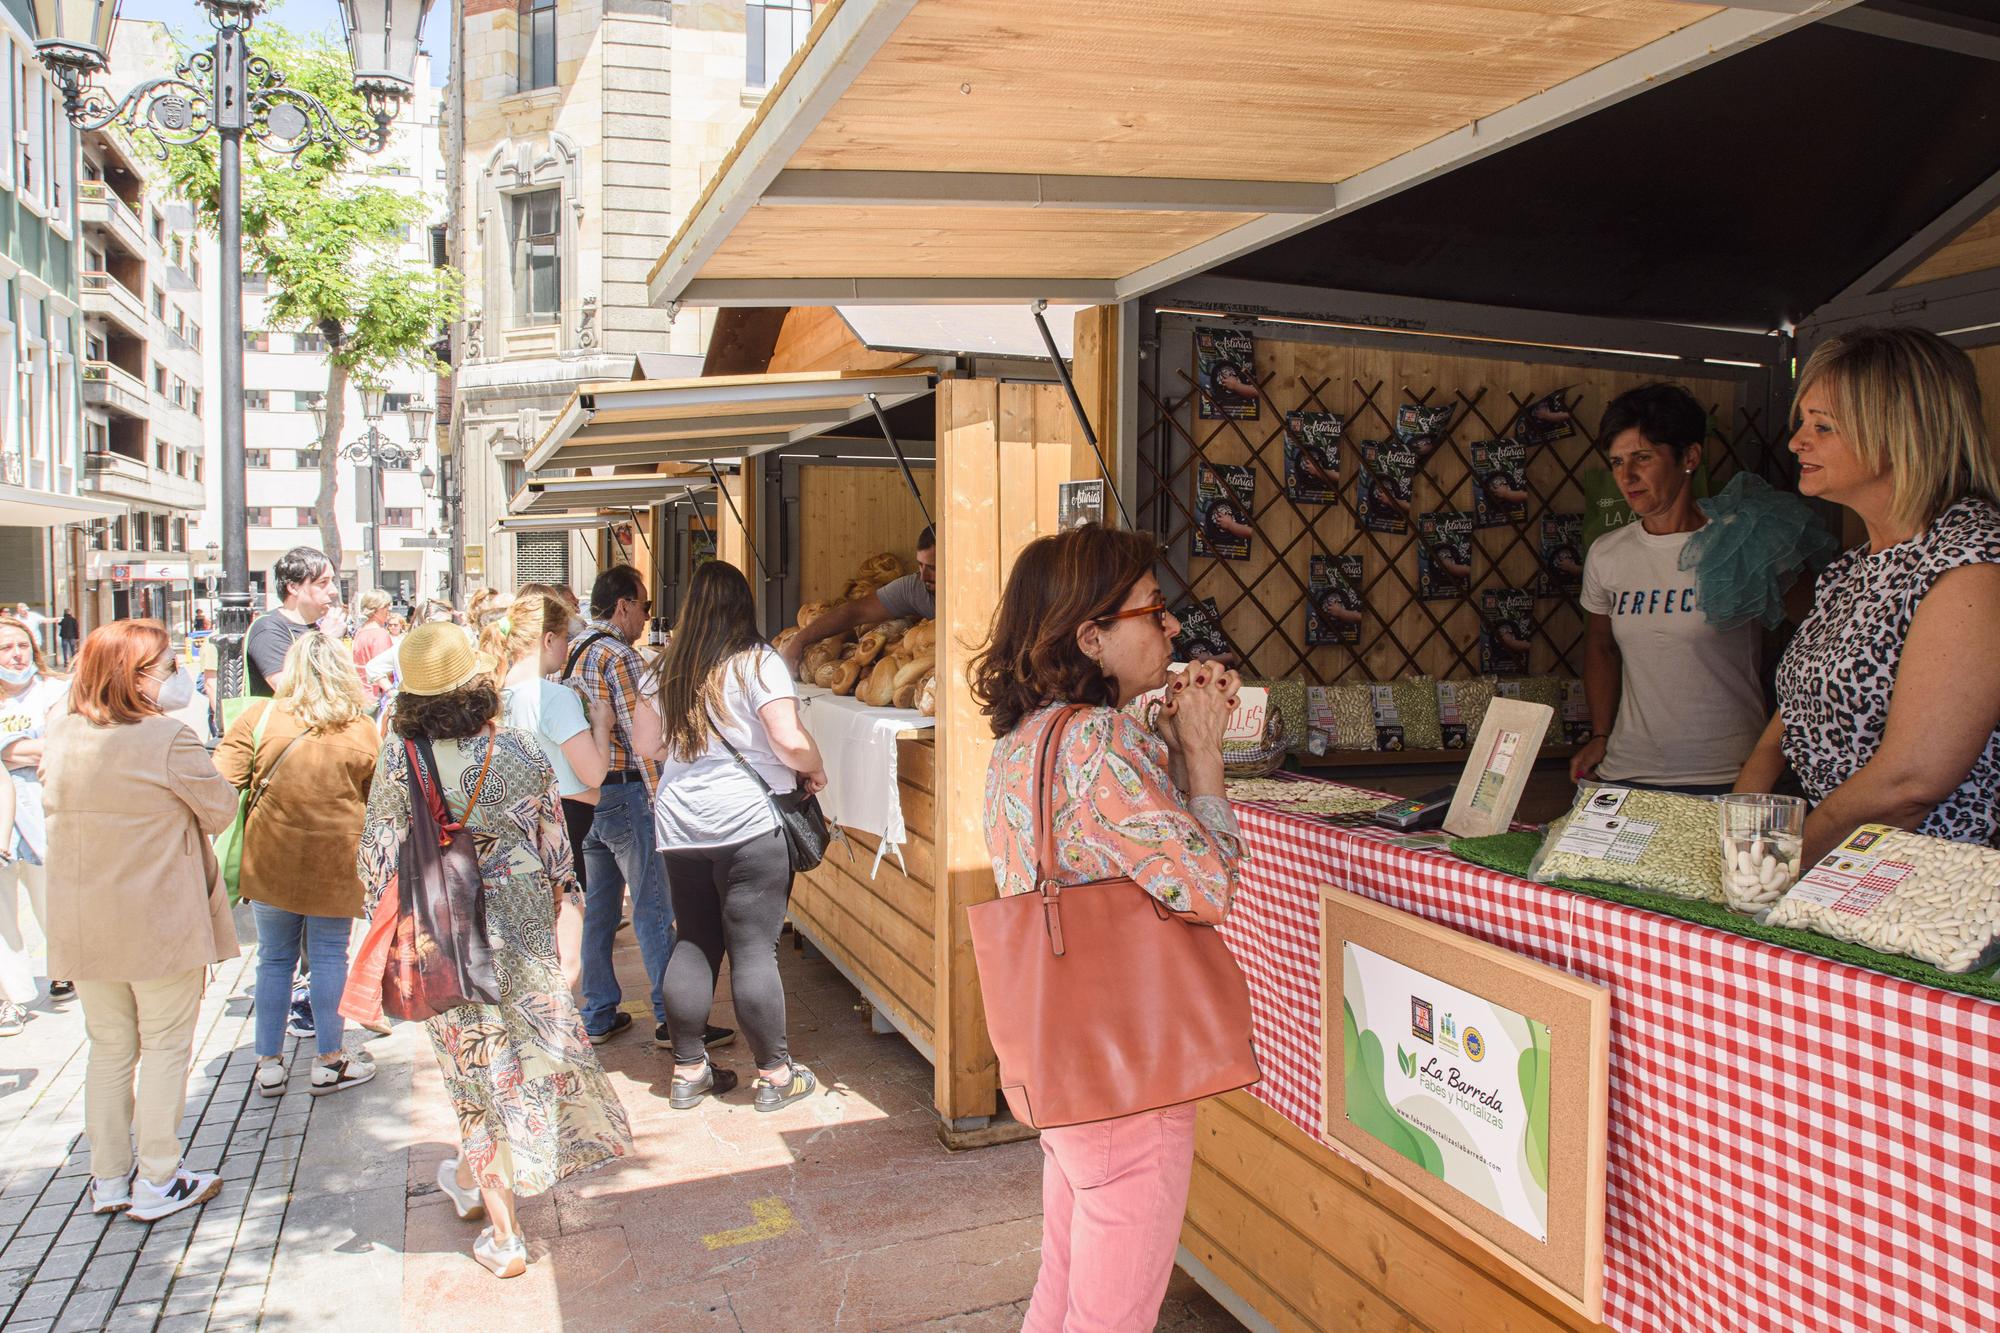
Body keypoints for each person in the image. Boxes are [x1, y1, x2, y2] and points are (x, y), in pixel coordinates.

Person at [971, 524, 1242, 1333]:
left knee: (1061, 1290)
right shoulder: (1099, 743)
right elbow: (1208, 882)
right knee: (1109, 1315)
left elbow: (1094, 852)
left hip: (1065, 1067)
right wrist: (1202, 758)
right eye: (1154, 610)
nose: (1171, 627)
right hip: (1131, 1076)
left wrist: (1156, 748)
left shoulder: (1024, 741)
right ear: (1090, 636)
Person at [358, 624, 632, 1278]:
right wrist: (570, 935)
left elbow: (374, 861)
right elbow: (560, 855)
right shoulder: (516, 747)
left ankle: (506, 1236)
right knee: (524, 1058)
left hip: (447, 935)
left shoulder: (402, 756)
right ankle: (496, 1172)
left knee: (474, 1075)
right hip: (524, 924)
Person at [1736, 326, 2000, 862]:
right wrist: (1740, 837)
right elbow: (1781, 728)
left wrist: (1781, 863)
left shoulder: (1973, 561)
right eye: (1803, 421)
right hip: (1838, 874)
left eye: (1823, 426)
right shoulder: (1850, 571)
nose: (1796, 442)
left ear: (1902, 432)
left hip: (1927, 895)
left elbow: (1911, 782)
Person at [41, 620, 237, 1221]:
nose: (173, 675)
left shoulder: (62, 732)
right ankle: (158, 1176)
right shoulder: (166, 740)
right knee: (166, 1047)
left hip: (84, 920)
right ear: (136, 676)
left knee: (108, 1048)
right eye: (164, 666)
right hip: (158, 921)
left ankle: (107, 1177)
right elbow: (221, 808)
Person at [634, 562, 827, 1112]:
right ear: (744, 606)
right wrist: (814, 764)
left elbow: (650, 745)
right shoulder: (758, 663)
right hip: (746, 821)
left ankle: (689, 1071)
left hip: (680, 822)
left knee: (694, 939)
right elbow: (788, 742)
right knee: (752, 949)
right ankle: (774, 1076)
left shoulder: (663, 668)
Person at [1571, 384, 1766, 796]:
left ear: (1689, 457)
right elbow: (1600, 646)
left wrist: (1774, 753)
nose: (1627, 477)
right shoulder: (1608, 553)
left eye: (1643, 457)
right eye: (1617, 462)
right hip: (1627, 770)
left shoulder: (1741, 544)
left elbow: (1808, 646)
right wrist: (1601, 734)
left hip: (1726, 772)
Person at [215, 632, 381, 1097]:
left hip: (270, 859)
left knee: (273, 960)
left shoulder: (260, 716)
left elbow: (222, 782)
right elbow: (379, 797)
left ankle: (268, 1063)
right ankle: (330, 1060)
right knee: (330, 957)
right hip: (336, 861)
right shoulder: (360, 727)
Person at [564, 566, 677, 1046]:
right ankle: (674, 1016)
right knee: (652, 905)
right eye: (645, 606)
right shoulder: (620, 656)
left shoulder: (570, 650)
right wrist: (660, 800)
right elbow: (644, 739)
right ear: (623, 606)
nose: (648, 618)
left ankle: (598, 1010)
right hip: (626, 790)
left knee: (601, 909)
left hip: (584, 793)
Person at [483, 593, 614, 991]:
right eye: (564, 638)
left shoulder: (494, 695)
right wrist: (602, 725)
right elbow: (593, 773)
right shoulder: (553, 697)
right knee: (564, 958)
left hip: (509, 834)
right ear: (547, 640)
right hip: (561, 829)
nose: (567, 648)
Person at [0, 614, 68, 1009]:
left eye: (22, 646)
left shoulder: (57, 689)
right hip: (5, 817)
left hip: (49, 810)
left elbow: (63, 743)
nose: (16, 655)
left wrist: (11, 749)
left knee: (54, 898)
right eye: (6, 648)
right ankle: (14, 995)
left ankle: (66, 966)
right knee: (4, 910)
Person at [778, 527, 935, 676]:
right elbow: (853, 613)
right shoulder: (914, 588)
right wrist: (799, 641)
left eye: (932, 568)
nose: (923, 576)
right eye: (920, 565)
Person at [247, 547, 340, 698]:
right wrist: (325, 640)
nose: (333, 590)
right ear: (293, 587)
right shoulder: (268, 629)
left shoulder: (317, 627)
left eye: (332, 581)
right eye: (323, 582)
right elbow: (287, 688)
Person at [349, 589, 396, 699]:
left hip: (362, 693)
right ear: (374, 609)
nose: (390, 609)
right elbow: (383, 671)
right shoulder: (379, 634)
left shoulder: (361, 631)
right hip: (378, 695)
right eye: (386, 606)